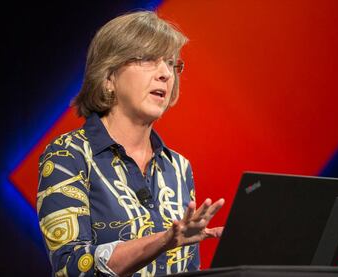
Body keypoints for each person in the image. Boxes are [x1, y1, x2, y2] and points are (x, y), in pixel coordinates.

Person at [37, 10, 225, 277]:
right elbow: (71, 267)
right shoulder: (68, 155)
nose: (166, 74)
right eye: (149, 59)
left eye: (172, 64)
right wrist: (163, 241)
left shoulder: (178, 167)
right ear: (108, 77)